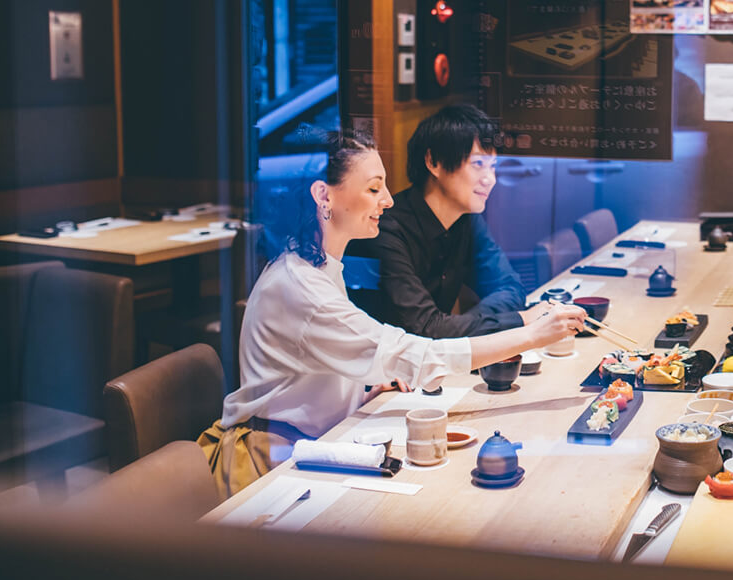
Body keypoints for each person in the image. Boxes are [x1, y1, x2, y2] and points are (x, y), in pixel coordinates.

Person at [199, 132, 584, 498]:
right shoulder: (300, 286)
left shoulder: (317, 264)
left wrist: (363, 389)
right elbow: (415, 353)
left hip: (321, 445)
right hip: (273, 463)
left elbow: (312, 369)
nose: (388, 200)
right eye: (373, 188)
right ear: (323, 196)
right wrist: (532, 334)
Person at [347, 104, 552, 337]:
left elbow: (510, 287)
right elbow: (424, 327)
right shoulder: (384, 229)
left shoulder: (467, 220)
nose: (490, 179)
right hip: (379, 368)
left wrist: (457, 328)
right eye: (478, 165)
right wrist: (518, 320)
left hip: (434, 363)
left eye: (493, 167)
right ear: (434, 162)